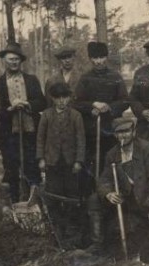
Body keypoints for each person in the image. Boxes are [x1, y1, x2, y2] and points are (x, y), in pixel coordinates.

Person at [87, 117, 149, 266]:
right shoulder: (112, 154)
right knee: (94, 199)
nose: (123, 136)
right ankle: (97, 246)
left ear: (133, 132)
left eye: (126, 131)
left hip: (146, 198)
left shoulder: (147, 149)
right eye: (119, 133)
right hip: (126, 201)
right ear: (115, 135)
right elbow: (104, 180)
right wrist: (108, 193)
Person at [74, 41, 129, 191]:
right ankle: (92, 197)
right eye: (95, 58)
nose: (98, 61)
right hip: (91, 132)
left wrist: (109, 107)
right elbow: (76, 102)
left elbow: (125, 100)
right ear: (90, 59)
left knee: (111, 163)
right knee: (91, 166)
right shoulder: (85, 78)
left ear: (106, 57)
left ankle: (112, 196)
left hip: (111, 131)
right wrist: (92, 105)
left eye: (101, 57)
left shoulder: (115, 76)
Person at [36, 83, 86, 248]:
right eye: (58, 98)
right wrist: (41, 158)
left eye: (65, 97)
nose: (61, 101)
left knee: (72, 197)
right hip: (52, 162)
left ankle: (73, 236)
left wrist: (79, 160)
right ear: (52, 98)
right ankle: (58, 233)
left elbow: (80, 139)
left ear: (69, 98)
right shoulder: (47, 115)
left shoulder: (75, 115)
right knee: (54, 196)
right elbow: (40, 138)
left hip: (70, 163)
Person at [0, 42, 46, 203]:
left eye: (17, 59)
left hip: (30, 131)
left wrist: (27, 104)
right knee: (11, 168)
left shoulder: (31, 80)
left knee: (32, 166)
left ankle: (34, 204)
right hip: (8, 133)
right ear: (4, 60)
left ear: (21, 61)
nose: (14, 62)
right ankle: (15, 204)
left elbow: (42, 102)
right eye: (10, 59)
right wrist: (11, 108)